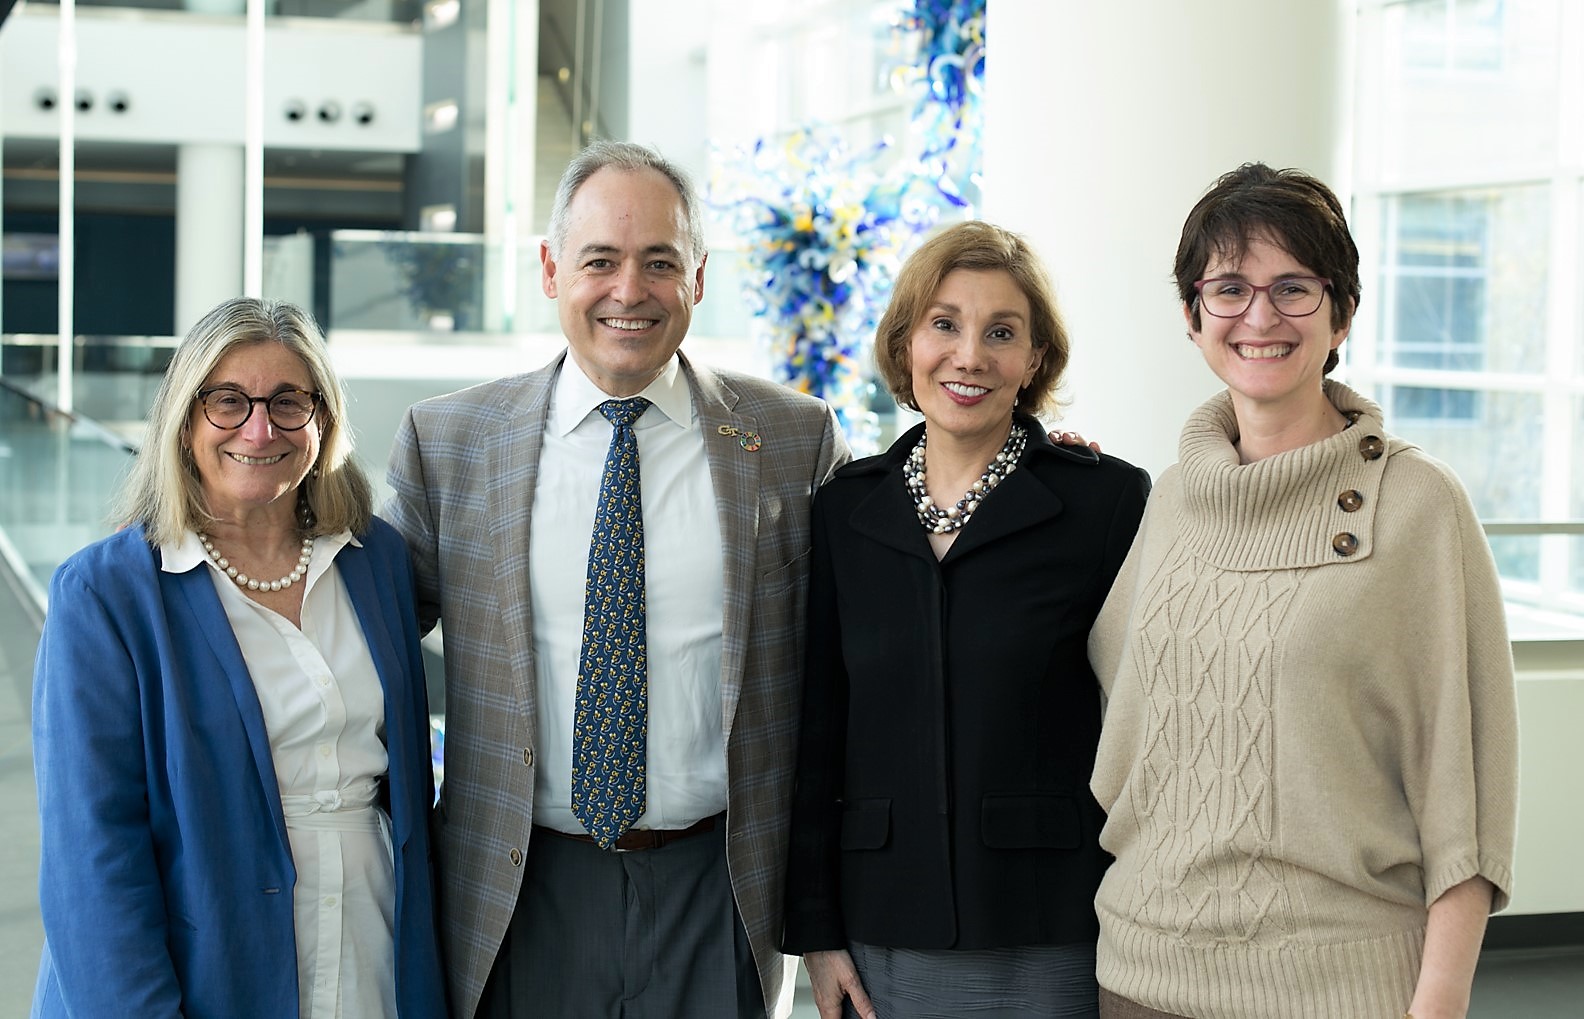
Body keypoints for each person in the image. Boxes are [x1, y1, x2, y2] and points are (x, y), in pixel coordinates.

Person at [384, 140, 851, 1018]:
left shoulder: (795, 441)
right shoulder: (449, 443)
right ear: (553, 267)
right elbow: (356, 639)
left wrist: (1023, 461)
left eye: (660, 263)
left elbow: (863, 653)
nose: (628, 291)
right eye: (600, 260)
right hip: (518, 889)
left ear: (699, 277)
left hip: (721, 892)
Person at [1087, 163, 1519, 1019]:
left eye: (1293, 287)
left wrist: (1439, 1004)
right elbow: (1117, 711)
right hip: (1137, 977)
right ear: (1191, 315)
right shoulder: (1171, 497)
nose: (1259, 316)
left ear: (1341, 312)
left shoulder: (1418, 503)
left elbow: (1466, 794)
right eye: (1229, 288)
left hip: (1341, 991)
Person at [31, 297, 446, 1018]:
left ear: (323, 418)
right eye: (229, 401)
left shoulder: (375, 559)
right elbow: (91, 859)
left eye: (289, 402)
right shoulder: (105, 594)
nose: (261, 428)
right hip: (207, 967)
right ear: (185, 419)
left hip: (375, 950)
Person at [782, 220, 1152, 1019]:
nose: (969, 354)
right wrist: (816, 932)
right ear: (906, 344)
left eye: (1002, 332)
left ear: (1035, 361)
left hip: (1052, 923)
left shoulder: (1106, 502)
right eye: (944, 324)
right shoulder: (845, 509)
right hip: (883, 922)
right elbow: (819, 731)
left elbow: (1149, 723)